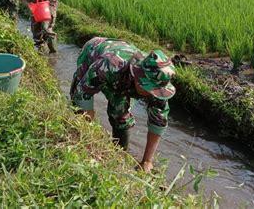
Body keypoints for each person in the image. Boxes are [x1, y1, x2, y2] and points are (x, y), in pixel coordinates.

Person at [70, 37, 176, 173]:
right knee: (80, 109)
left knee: (121, 116)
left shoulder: (159, 84)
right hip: (93, 52)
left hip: (124, 78)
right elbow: (83, 92)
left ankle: (119, 154)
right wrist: (88, 134)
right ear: (137, 77)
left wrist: (147, 161)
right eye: (147, 88)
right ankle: (79, 145)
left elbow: (158, 121)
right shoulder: (111, 65)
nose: (150, 94)